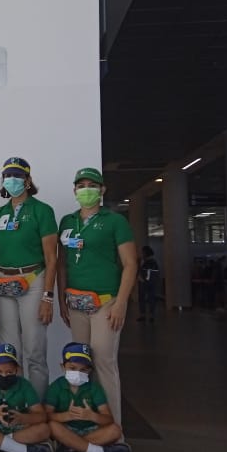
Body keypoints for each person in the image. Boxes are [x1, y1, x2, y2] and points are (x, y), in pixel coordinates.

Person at [56, 167, 137, 430]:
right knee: (79, 365)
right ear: (74, 190)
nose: (86, 190)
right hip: (75, 302)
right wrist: (61, 299)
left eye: (92, 185)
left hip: (106, 302)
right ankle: (85, 423)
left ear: (102, 190)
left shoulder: (115, 221)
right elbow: (62, 264)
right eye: (81, 186)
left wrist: (121, 302)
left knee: (103, 361)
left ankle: (113, 429)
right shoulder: (67, 222)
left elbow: (130, 264)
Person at [0, 158, 59, 399]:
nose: (12, 180)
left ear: (27, 180)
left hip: (33, 280)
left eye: (17, 175)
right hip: (3, 282)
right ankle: (13, 403)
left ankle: (36, 406)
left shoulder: (42, 210)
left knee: (34, 350)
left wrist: (48, 297)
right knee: (8, 353)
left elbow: (52, 258)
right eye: (7, 175)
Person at [44, 342, 129, 452]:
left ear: (89, 370)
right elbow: (46, 416)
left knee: (115, 430)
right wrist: (66, 416)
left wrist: (92, 416)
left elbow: (108, 419)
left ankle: (70, 446)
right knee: (52, 426)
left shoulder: (94, 388)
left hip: (90, 430)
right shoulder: (56, 387)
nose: (78, 373)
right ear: (62, 367)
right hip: (66, 429)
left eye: (83, 369)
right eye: (72, 368)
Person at [137, 245, 160, 324]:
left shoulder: (147, 262)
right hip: (151, 283)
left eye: (142, 252)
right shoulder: (153, 262)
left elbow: (144, 273)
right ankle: (151, 315)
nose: (141, 254)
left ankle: (143, 315)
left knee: (143, 298)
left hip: (144, 282)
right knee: (151, 298)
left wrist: (142, 279)